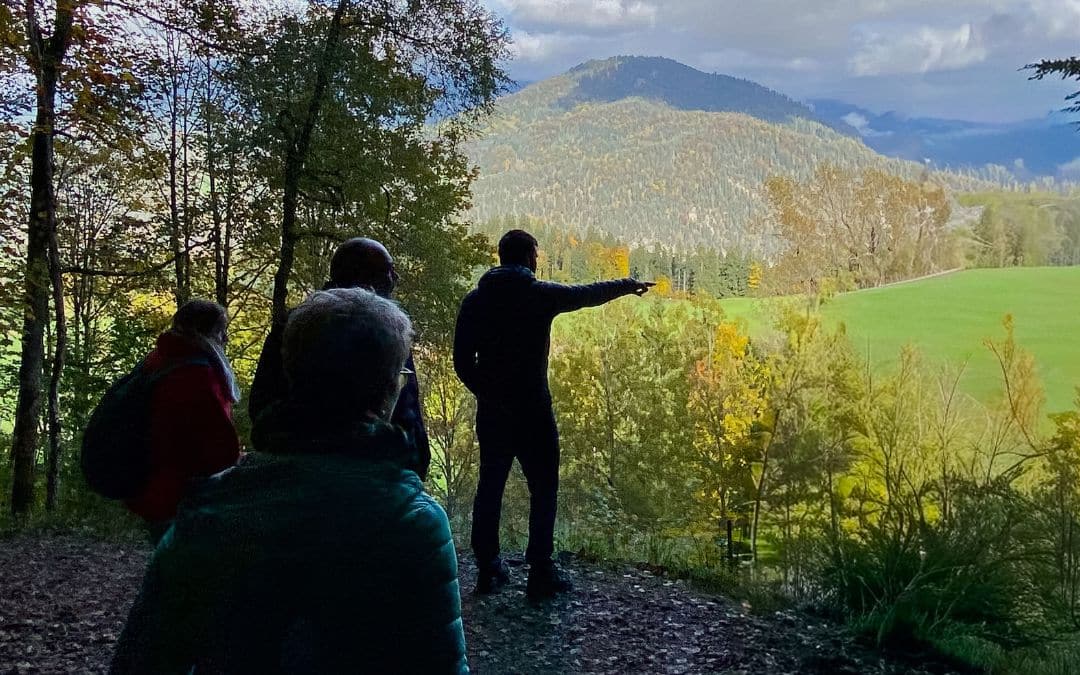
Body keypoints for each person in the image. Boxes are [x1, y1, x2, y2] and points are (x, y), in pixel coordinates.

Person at [111, 288, 468, 674]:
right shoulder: (415, 524)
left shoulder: (206, 517)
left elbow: (141, 661)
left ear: (292, 374)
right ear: (386, 392)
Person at [453, 229, 653, 599]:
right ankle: (540, 571)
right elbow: (589, 294)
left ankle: (487, 569)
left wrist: (489, 394)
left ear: (500, 257)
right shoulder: (539, 296)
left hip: (494, 414)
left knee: (489, 488)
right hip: (533, 410)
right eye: (536, 254)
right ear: (529, 257)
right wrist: (629, 284)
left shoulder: (475, 302)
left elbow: (462, 362)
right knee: (543, 489)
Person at [249, 237, 430, 479]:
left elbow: (262, 402)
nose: (394, 278)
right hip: (374, 477)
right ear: (364, 277)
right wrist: (415, 462)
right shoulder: (383, 331)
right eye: (387, 271)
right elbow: (406, 410)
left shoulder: (296, 325)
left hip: (291, 472)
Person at [126, 299, 241, 543]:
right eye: (222, 332)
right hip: (184, 495)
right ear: (205, 332)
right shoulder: (199, 374)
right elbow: (222, 450)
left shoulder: (158, 359)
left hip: (152, 487)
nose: (226, 340)